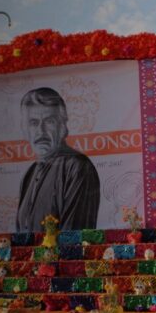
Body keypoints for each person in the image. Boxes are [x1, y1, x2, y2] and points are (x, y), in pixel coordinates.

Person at [16, 87, 100, 232]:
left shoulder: (78, 167)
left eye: (49, 121)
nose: (41, 131)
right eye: (34, 123)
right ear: (25, 129)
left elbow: (73, 238)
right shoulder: (30, 173)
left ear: (62, 125)